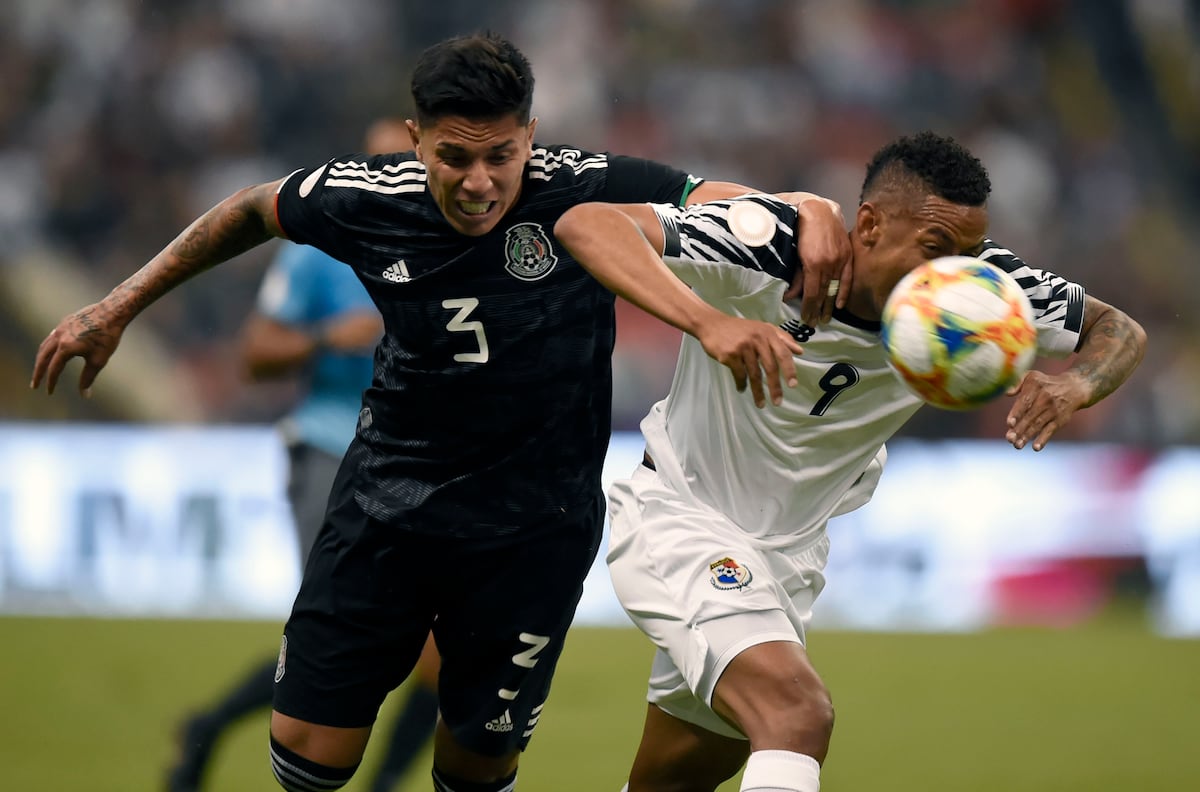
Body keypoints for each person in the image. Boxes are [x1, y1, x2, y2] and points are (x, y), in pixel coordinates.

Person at [30, 32, 853, 792]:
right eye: (454, 157)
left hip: (535, 528)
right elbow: (250, 207)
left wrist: (808, 205)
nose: (479, 182)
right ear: (416, 139)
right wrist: (116, 307)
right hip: (389, 502)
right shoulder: (363, 195)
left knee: (475, 761)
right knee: (310, 748)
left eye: (501, 156)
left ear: (531, 134)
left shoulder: (584, 186)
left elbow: (719, 199)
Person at [552, 130, 1147, 792]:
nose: (949, 276)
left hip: (789, 562)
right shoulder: (772, 245)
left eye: (968, 254)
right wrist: (706, 321)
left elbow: (1118, 328)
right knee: (796, 714)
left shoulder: (980, 292)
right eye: (934, 250)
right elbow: (588, 223)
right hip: (681, 521)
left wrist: (1077, 383)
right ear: (868, 224)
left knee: (673, 781)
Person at [165, 119, 444, 792]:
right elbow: (255, 355)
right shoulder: (318, 251)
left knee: (434, 651)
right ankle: (211, 727)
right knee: (351, 633)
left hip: (418, 462)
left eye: (406, 164)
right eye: (381, 165)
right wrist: (327, 338)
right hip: (329, 448)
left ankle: (223, 730)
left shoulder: (450, 248)